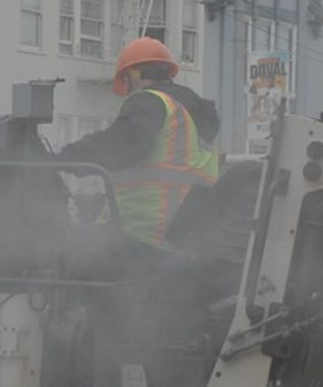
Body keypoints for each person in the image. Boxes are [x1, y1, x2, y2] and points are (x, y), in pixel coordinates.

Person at [59, 37, 221, 245]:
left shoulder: (150, 100)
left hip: (142, 236)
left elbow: (120, 146)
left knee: (56, 250)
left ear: (132, 76)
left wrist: (63, 158)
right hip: (185, 242)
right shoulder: (192, 116)